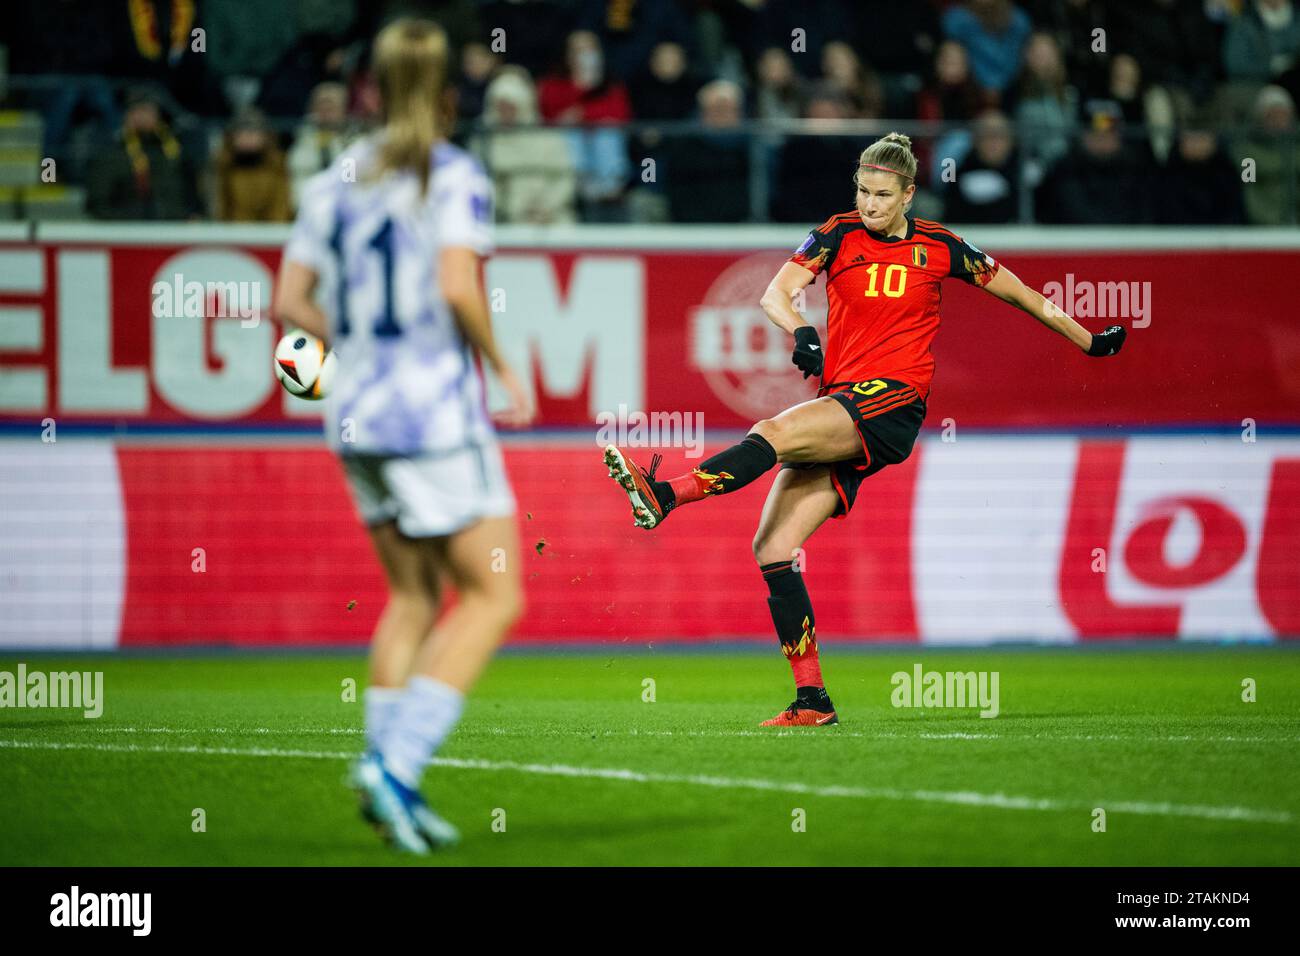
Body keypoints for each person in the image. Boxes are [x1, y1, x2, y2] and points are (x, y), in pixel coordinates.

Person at [603, 132, 1126, 727]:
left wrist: (1089, 341)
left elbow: (1023, 297)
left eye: (882, 195)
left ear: (908, 194)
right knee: (772, 548)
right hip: (845, 402)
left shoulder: (942, 246)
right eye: (862, 191)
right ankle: (812, 701)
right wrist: (801, 330)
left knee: (772, 430)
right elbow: (777, 295)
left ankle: (664, 495)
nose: (870, 204)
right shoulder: (836, 233)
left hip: (894, 403)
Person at [274, 18, 535, 852]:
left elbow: (287, 307)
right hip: (432, 413)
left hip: (350, 411)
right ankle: (397, 765)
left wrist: (350, 351)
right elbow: (459, 283)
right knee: (497, 595)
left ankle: (382, 768)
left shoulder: (332, 178)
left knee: (415, 597)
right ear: (450, 94)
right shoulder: (452, 173)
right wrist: (501, 367)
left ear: (372, 89)